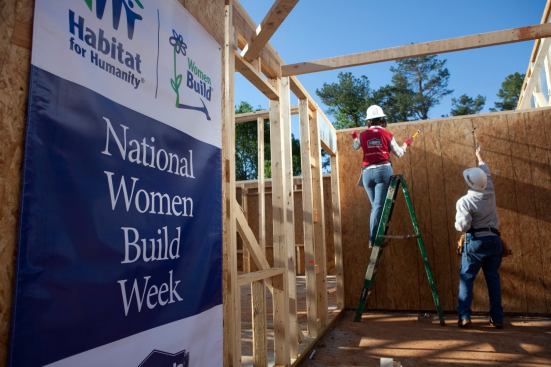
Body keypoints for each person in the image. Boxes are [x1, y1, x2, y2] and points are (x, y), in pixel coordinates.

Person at [454, 145, 504, 328]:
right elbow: (486, 172)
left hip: (476, 243)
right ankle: (497, 319)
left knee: (467, 279)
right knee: (493, 279)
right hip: (494, 241)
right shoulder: (489, 189)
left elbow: (463, 226)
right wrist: (479, 156)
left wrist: (459, 222)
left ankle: (465, 317)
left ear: (469, 183)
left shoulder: (465, 202)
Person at [352, 105, 411, 247]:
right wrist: (406, 144)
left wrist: (355, 136)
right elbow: (399, 153)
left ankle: (377, 236)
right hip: (382, 172)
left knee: (376, 207)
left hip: (366, 174)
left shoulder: (363, 135)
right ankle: (373, 239)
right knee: (378, 207)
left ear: (369, 121)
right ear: (382, 120)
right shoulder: (387, 134)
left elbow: (355, 146)